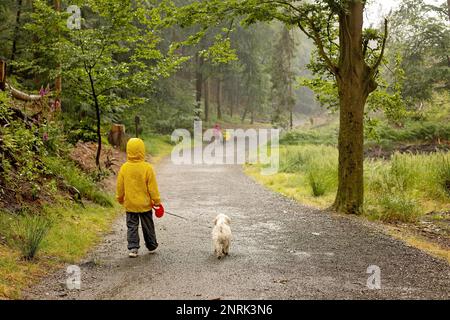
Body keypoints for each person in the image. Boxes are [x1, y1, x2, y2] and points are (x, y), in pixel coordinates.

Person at [116, 138, 162, 258]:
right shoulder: (147, 168)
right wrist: (156, 201)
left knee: (132, 226)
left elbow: (120, 186)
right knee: (148, 226)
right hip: (145, 205)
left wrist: (120, 198)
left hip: (130, 204)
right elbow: (152, 187)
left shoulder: (124, 168)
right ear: (142, 150)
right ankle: (151, 245)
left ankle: (133, 248)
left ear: (128, 150)